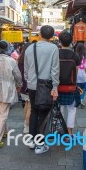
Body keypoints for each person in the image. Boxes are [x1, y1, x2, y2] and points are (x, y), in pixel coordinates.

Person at [24, 25, 59, 154]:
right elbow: (55, 70)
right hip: (47, 86)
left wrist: (29, 80)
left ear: (39, 34)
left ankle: (32, 141)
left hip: (32, 85)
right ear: (52, 36)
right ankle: (40, 144)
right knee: (44, 114)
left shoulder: (30, 48)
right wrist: (55, 87)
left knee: (34, 111)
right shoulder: (53, 48)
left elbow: (26, 69)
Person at [0, 40, 23, 148]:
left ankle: (4, 131)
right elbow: (17, 75)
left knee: (1, 111)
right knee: (3, 113)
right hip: (7, 89)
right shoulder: (11, 60)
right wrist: (19, 85)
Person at [57, 32, 80, 138]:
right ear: (71, 42)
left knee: (60, 109)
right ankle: (70, 132)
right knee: (72, 109)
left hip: (57, 86)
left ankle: (60, 131)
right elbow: (76, 72)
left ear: (60, 41)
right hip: (71, 87)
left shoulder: (55, 53)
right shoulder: (75, 56)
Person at [18, 43, 31, 133]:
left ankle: (25, 123)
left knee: (26, 105)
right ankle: (27, 126)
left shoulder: (19, 60)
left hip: (22, 85)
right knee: (30, 106)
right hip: (29, 85)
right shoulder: (29, 60)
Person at [75, 43, 86, 108]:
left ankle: (78, 100)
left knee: (77, 88)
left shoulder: (75, 56)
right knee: (83, 88)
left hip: (77, 74)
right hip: (83, 74)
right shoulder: (85, 57)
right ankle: (81, 99)